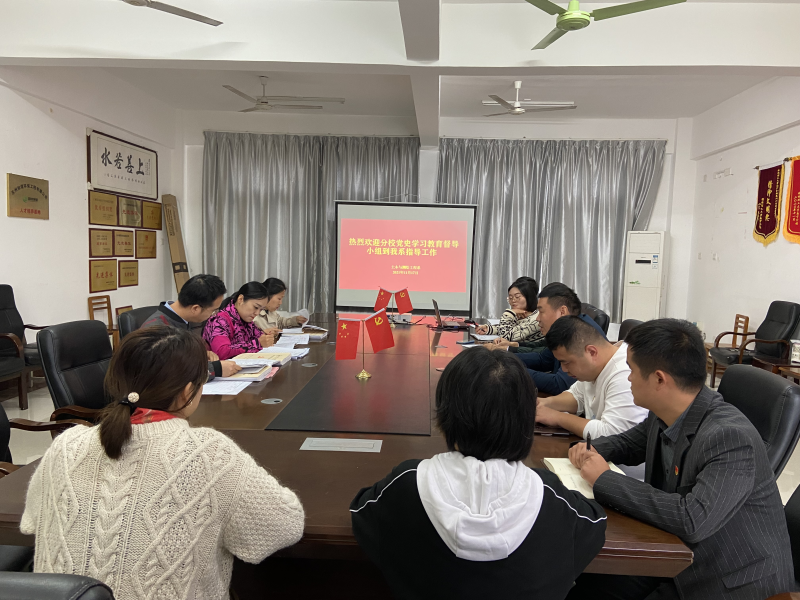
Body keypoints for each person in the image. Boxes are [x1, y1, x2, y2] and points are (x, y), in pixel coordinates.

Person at [20, 327, 305, 599]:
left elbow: (32, 521)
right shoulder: (209, 453)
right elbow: (284, 526)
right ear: (188, 391)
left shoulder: (67, 444)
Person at [350, 346, 607, 599]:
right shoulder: (549, 496)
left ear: (445, 415)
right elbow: (593, 523)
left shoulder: (407, 484)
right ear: (526, 419)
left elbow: (362, 511)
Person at [567, 319, 797, 600]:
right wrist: (590, 449)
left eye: (631, 371)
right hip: (676, 553)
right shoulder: (667, 411)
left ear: (659, 379)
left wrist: (604, 479)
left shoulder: (730, 437)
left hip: (727, 582)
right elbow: (629, 443)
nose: (628, 379)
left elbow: (692, 519)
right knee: (581, 577)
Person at [535, 315, 648, 439]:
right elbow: (578, 395)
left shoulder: (625, 374)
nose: (564, 369)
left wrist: (557, 417)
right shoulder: (595, 366)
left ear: (591, 352)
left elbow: (613, 434)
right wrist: (545, 403)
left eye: (566, 362)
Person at [511, 282, 606, 396]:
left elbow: (560, 384)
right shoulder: (566, 329)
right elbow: (544, 360)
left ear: (562, 312)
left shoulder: (578, 333)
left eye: (541, 312)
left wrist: (512, 371)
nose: (537, 319)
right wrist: (506, 359)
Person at [141, 273, 241, 379]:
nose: (214, 315)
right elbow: (167, 373)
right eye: (213, 311)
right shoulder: (156, 329)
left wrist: (198, 354)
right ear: (195, 309)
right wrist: (215, 369)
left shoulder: (183, 320)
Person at [203, 281, 275, 359]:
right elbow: (221, 352)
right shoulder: (220, 321)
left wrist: (266, 339)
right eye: (256, 307)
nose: (257, 313)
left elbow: (260, 337)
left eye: (261, 309)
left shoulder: (247, 321)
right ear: (241, 299)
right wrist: (258, 343)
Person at [474, 276, 543, 346]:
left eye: (517, 297)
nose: (513, 300)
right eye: (510, 297)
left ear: (530, 297)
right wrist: (489, 329)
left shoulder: (537, 319)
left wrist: (508, 314)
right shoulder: (521, 315)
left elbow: (505, 338)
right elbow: (511, 329)